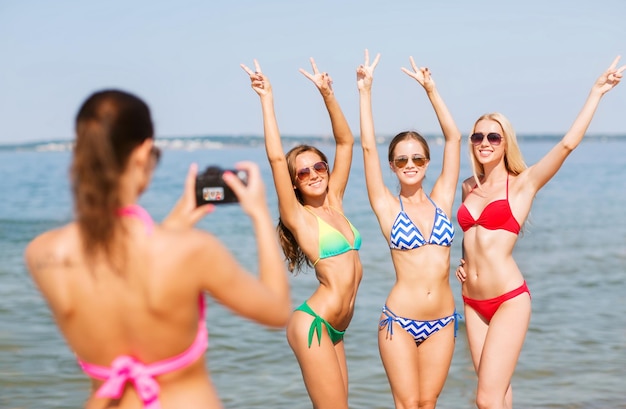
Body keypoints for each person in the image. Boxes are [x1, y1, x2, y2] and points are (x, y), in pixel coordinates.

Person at [24, 89, 291, 409]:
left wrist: (174, 223)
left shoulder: (43, 255)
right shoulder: (194, 252)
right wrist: (260, 213)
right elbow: (277, 310)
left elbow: (123, 274)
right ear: (143, 153)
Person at [455, 56, 625, 409]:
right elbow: (473, 239)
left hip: (507, 300)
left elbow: (566, 146)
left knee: (485, 399)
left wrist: (596, 93)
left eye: (492, 136)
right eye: (477, 136)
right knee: (499, 394)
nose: (484, 142)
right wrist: (464, 262)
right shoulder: (468, 186)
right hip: (471, 301)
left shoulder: (523, 184)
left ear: (505, 142)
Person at [241, 58, 362, 409]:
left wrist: (328, 93)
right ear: (294, 182)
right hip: (315, 324)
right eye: (303, 171)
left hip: (337, 329)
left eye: (318, 166)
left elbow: (346, 142)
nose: (313, 173)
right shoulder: (298, 215)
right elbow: (277, 159)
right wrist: (267, 99)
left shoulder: (335, 200)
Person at [357, 49, 462, 409]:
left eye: (417, 157)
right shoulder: (387, 206)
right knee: (407, 404)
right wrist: (365, 91)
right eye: (401, 159)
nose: (410, 164)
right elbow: (368, 148)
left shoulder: (442, 200)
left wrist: (431, 90)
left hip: (444, 320)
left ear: (427, 162)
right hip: (399, 321)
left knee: (428, 403)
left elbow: (454, 138)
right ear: (392, 166)